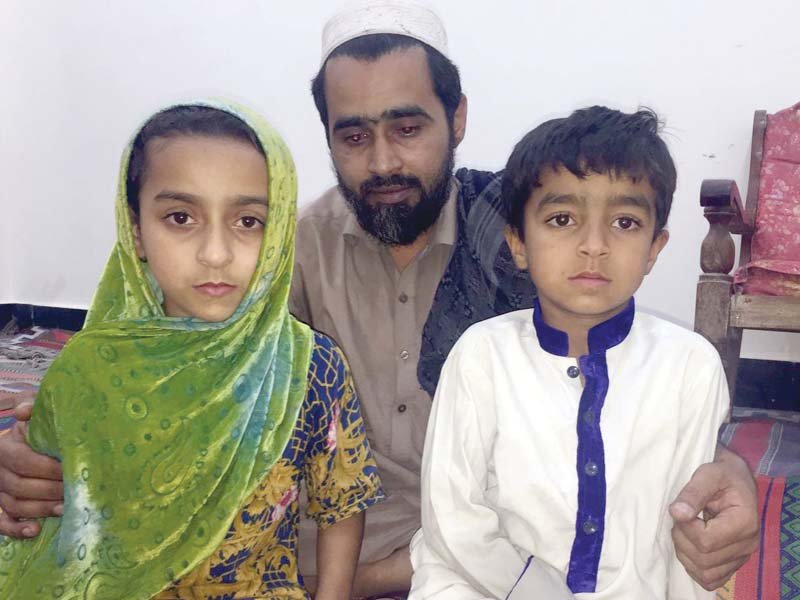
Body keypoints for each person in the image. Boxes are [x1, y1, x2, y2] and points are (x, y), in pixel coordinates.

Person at [0, 2, 759, 597]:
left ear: (457, 119)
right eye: (354, 136)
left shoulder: (529, 239)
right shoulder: (280, 250)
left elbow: (631, 388)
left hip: (498, 556)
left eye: (408, 127)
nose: (384, 161)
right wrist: (39, 454)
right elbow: (179, 385)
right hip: (316, 555)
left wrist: (726, 468)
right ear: (326, 137)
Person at [0, 101, 383, 600]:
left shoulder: (309, 366)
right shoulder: (89, 371)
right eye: (181, 217)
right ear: (135, 231)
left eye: (249, 221)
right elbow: (46, 520)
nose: (216, 253)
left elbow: (342, 507)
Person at [408, 106, 728, 600]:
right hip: (485, 586)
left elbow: (688, 528)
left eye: (624, 222)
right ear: (518, 243)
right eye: (562, 219)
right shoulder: (481, 355)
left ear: (654, 249)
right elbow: (452, 519)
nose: (593, 245)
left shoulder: (690, 367)